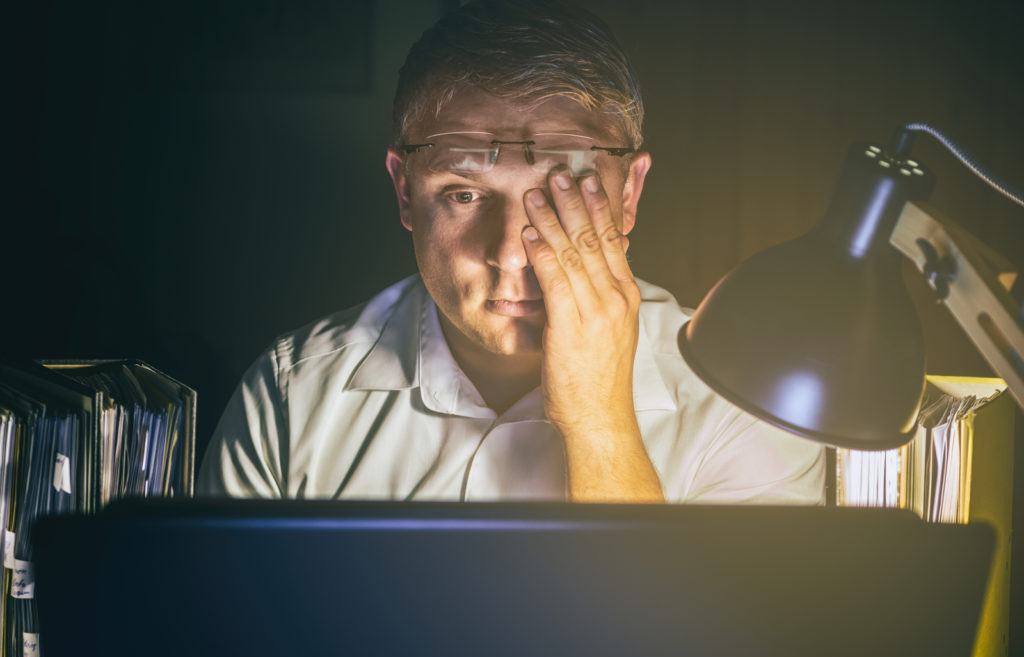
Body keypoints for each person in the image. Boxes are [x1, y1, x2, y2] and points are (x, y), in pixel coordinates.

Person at [197, 0, 825, 503]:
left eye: (559, 195)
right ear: (405, 193)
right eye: (465, 194)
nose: (510, 254)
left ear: (628, 192)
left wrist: (600, 424)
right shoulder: (292, 398)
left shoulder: (741, 409)